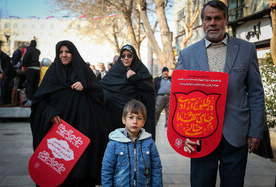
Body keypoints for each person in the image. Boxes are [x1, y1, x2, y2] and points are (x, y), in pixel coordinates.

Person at [177, 1, 265, 187]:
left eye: (218, 18)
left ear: (226, 19)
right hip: (200, 135)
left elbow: (256, 93)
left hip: (236, 133)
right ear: (202, 22)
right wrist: (183, 134)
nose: (213, 23)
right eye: (208, 18)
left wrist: (256, 130)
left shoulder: (246, 50)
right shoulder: (187, 55)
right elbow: (179, 97)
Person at [30, 40, 109, 186]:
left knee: (81, 166)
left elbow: (98, 92)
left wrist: (85, 85)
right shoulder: (52, 73)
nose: (64, 55)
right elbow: (39, 101)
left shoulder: (84, 71)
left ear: (73, 53)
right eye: (60, 52)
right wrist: (50, 113)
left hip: (81, 128)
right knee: (59, 167)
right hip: (59, 129)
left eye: (67, 51)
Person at [100, 44, 156, 140]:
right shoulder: (114, 73)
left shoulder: (141, 72)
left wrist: (135, 78)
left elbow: (149, 92)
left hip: (135, 121)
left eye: (129, 55)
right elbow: (100, 89)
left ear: (134, 57)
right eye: (123, 55)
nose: (126, 58)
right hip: (115, 119)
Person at [102, 99, 162, 186]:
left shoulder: (149, 143)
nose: (135, 121)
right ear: (123, 119)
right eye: (131, 117)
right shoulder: (113, 144)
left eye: (139, 118)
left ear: (144, 122)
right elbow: (107, 170)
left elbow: (156, 169)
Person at [22, 40, 41, 106]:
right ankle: (35, 100)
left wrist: (24, 65)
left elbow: (25, 57)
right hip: (38, 69)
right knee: (35, 85)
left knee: (29, 84)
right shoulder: (38, 51)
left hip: (31, 68)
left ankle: (30, 100)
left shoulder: (29, 49)